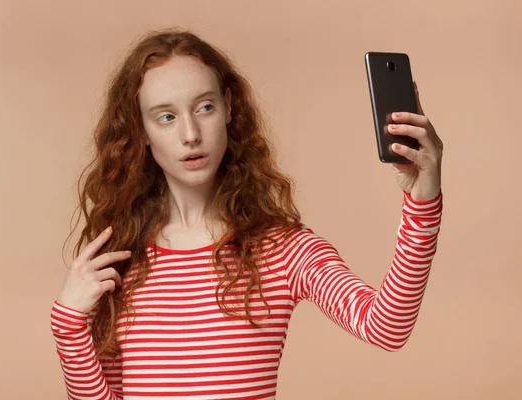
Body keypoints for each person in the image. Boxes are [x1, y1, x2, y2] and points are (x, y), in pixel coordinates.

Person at [50, 28, 443, 400]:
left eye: (204, 107)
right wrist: (68, 325)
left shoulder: (283, 249)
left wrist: (422, 204)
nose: (190, 133)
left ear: (228, 108)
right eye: (166, 116)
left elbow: (386, 327)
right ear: (141, 131)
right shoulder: (120, 258)